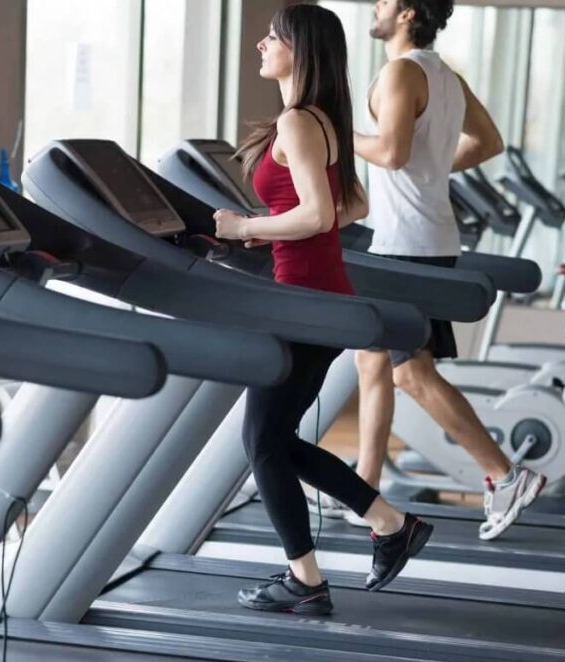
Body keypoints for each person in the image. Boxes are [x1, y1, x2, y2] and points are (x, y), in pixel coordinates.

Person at [212, 3, 433, 616]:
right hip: (315, 295)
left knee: (261, 441)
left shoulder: (297, 123)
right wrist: (278, 232)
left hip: (304, 302)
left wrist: (245, 225)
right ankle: (386, 527)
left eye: (273, 37)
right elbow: (351, 205)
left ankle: (310, 578)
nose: (261, 44)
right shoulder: (320, 119)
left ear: (298, 50)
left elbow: (316, 213)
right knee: (273, 440)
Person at [339, 0, 545, 541]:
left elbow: (388, 153)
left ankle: (505, 474)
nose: (376, 7)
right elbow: (489, 142)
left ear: (407, 13)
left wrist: (333, 134)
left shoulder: (403, 71)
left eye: (385, 0)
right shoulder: (444, 75)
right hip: (419, 236)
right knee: (373, 362)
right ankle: (366, 486)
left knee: (411, 371)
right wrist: (432, 168)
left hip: (407, 243)